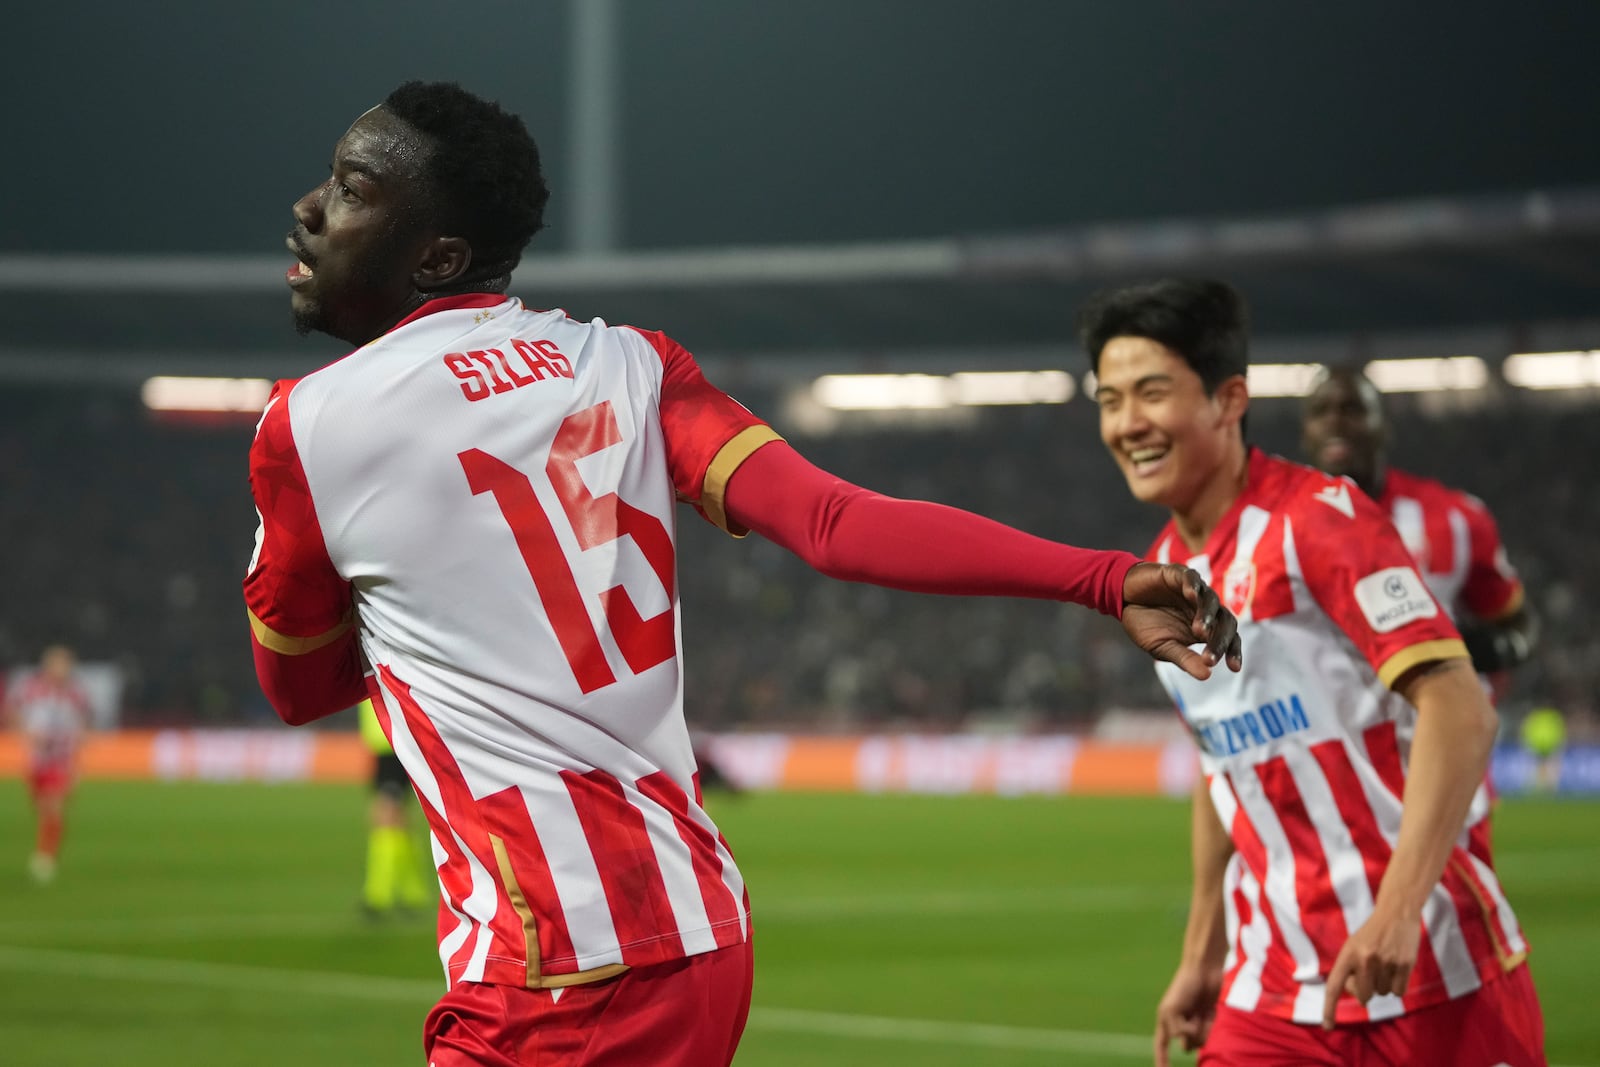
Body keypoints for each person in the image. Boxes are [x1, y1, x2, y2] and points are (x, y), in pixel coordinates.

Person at [244, 82, 1240, 1067]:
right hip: (699, 927)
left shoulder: (315, 422)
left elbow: (300, 687)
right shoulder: (629, 364)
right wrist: (1105, 578)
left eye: (352, 186)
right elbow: (835, 519)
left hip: (559, 962)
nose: (309, 206)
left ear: (439, 255)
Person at [1079, 279, 1545, 1067]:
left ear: (1230, 399)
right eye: (1110, 399)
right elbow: (1222, 760)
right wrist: (1203, 950)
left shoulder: (1318, 522)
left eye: (1151, 393)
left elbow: (1461, 707)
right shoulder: (1161, 572)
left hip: (1433, 968)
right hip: (1269, 990)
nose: (1128, 423)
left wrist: (1397, 910)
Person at [1302, 364, 1538, 867]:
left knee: (1451, 930)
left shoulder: (1453, 517)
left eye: (1352, 408)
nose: (1336, 422)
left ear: (1382, 425)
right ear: (1306, 430)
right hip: (1322, 770)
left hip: (1435, 763)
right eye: (1321, 411)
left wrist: (1494, 648)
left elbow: (1517, 622)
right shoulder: (1271, 527)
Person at [4, 645, 92, 883]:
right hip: (37, 758)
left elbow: (84, 721)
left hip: (62, 758)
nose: (60, 669)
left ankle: (45, 858)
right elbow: (13, 712)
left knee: (53, 805)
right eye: (56, 663)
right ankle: (46, 849)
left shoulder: (75, 693)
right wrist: (26, 732)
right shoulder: (31, 688)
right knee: (42, 807)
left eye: (64, 664)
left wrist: (79, 749)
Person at [357, 697, 431, 917]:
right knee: (398, 821)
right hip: (388, 741)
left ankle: (379, 895)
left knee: (385, 818)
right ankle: (412, 893)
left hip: (391, 740)